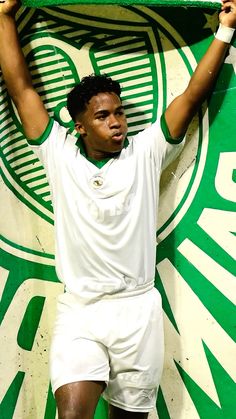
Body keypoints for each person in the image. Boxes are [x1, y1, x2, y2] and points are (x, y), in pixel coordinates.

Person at [0, 1, 235, 418]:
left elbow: (193, 93)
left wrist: (225, 30)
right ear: (80, 125)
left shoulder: (145, 152)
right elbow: (21, 89)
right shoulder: (57, 153)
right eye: (103, 115)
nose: (117, 122)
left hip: (136, 312)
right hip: (81, 313)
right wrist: (2, 17)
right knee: (72, 414)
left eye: (120, 112)